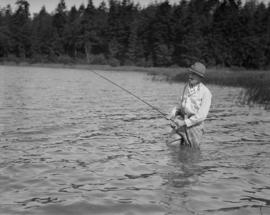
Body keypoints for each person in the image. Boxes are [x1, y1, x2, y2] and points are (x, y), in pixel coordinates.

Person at [169, 62, 212, 148]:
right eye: (190, 73)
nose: (190, 76)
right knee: (171, 145)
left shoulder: (206, 93)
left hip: (195, 128)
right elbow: (179, 106)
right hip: (181, 124)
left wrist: (184, 123)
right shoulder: (185, 87)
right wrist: (172, 116)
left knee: (193, 153)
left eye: (194, 74)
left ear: (200, 77)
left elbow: (201, 116)